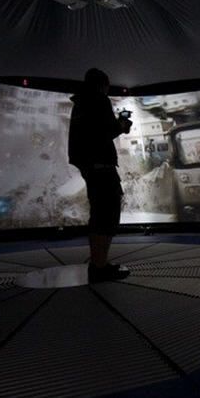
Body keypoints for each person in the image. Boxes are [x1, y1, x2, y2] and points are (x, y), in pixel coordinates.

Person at [68, 68, 133, 282]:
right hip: (101, 166)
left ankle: (98, 264)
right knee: (107, 214)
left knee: (98, 213)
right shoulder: (98, 100)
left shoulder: (80, 103)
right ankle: (99, 267)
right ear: (103, 85)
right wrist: (122, 125)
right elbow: (105, 131)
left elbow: (91, 133)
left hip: (89, 166)